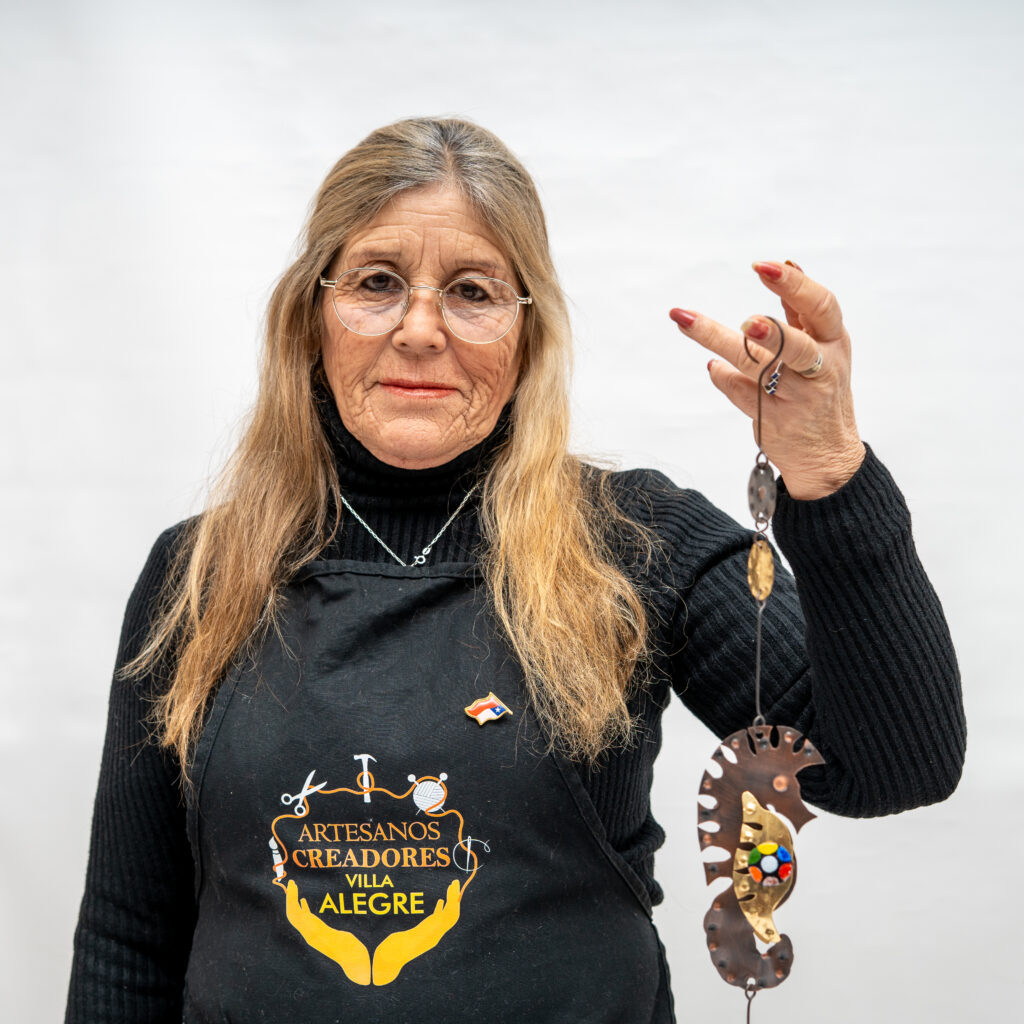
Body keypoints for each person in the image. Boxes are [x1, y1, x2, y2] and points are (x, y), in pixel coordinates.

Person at [65, 117, 965, 1023]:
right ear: (312, 318)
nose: (420, 330)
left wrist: (831, 475)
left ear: (528, 335)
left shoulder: (637, 543)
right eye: (376, 283)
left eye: (473, 291)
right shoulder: (200, 572)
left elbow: (893, 768)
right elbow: (129, 936)